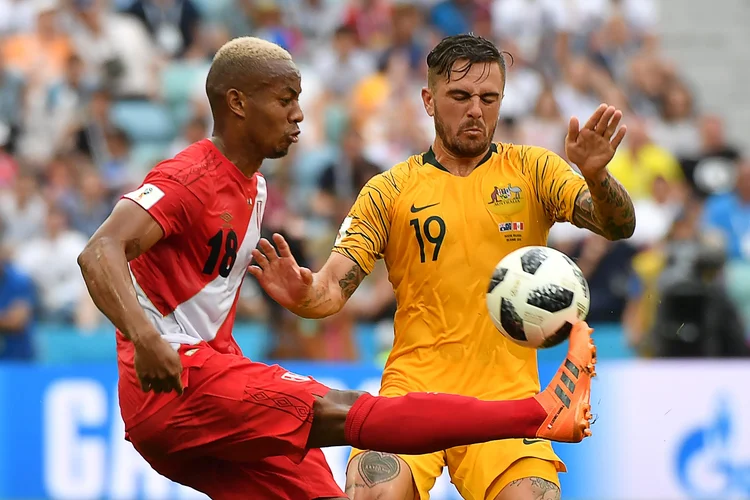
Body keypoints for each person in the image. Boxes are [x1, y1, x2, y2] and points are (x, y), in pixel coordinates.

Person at [78, 37, 596, 500]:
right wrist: (146, 339)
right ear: (237, 103)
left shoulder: (254, 187)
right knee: (350, 415)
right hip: (181, 380)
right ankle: (541, 412)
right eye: (285, 100)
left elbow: (617, 222)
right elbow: (99, 251)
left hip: (205, 380)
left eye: (298, 99)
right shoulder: (191, 177)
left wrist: (302, 295)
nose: (300, 114)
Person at [250, 34, 635, 500]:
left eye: (488, 98)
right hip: (414, 390)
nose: (476, 109)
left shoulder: (533, 171)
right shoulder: (389, 191)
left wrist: (595, 175)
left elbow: (618, 225)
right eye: (460, 96)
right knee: (374, 492)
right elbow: (330, 288)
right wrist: (301, 294)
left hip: (507, 400)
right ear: (429, 101)